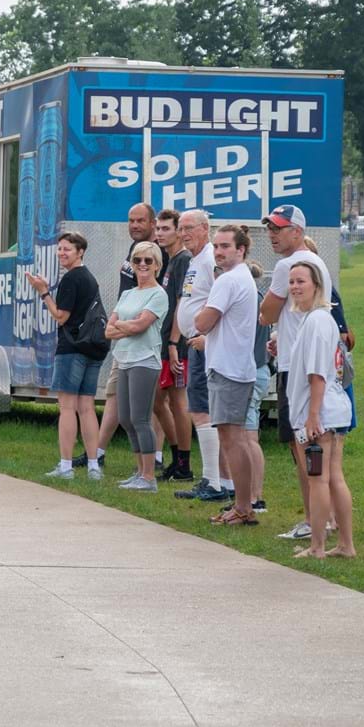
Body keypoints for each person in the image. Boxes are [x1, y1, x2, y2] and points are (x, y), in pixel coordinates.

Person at [257, 204, 332, 539]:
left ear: (297, 232)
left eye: (279, 228)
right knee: (310, 446)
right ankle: (323, 517)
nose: (272, 234)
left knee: (303, 446)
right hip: (303, 358)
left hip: (299, 368)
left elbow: (267, 312)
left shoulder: (290, 264)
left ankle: (315, 520)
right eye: (270, 228)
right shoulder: (317, 262)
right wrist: (280, 338)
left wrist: (274, 325)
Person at [282, 261, 355, 559]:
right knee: (334, 476)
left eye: (301, 281)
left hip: (321, 412)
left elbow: (317, 374)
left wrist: (313, 415)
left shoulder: (315, 321)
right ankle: (346, 545)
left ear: (317, 285)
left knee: (318, 479)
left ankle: (317, 546)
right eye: (292, 282)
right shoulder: (322, 320)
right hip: (335, 410)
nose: (295, 287)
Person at [194, 226, 262, 525]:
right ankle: (243, 504)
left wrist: (199, 313)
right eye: (216, 246)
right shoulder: (243, 276)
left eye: (225, 246)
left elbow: (203, 322)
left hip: (228, 369)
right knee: (239, 439)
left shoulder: (228, 280)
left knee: (232, 439)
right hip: (237, 366)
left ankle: (243, 506)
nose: (219, 251)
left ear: (241, 249)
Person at [27, 231, 105, 480]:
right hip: (93, 348)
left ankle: (66, 466)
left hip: (71, 348)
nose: (61, 253)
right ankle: (93, 466)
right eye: (59, 248)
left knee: (67, 408)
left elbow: (61, 316)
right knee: (87, 407)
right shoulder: (90, 278)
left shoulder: (71, 278)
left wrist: (43, 292)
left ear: (80, 251)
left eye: (67, 249)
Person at [92, 203, 155, 468]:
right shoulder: (134, 251)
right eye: (131, 220)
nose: (135, 225)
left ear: (152, 223)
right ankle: (98, 453)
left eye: (140, 220)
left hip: (144, 345)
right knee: (116, 399)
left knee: (148, 410)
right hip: (123, 342)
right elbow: (121, 307)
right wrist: (117, 327)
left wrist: (123, 327)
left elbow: (149, 310)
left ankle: (153, 464)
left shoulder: (154, 255)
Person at [173, 211, 229, 502]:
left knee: (202, 409)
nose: (184, 233)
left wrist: (206, 337)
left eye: (189, 228)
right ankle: (214, 479)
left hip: (203, 344)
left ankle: (214, 481)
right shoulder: (194, 260)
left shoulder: (208, 259)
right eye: (181, 228)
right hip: (192, 343)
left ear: (205, 229)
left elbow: (220, 301)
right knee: (198, 408)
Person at [104, 241, 169, 491]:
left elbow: (140, 326)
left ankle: (149, 477)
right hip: (123, 359)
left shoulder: (158, 294)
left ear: (157, 266)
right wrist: (127, 326)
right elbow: (108, 330)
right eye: (137, 260)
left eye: (148, 261)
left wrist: (125, 325)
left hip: (145, 360)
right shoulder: (127, 294)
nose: (142, 265)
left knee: (141, 418)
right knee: (126, 419)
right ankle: (139, 471)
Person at [152, 209, 194, 480]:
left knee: (178, 402)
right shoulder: (169, 260)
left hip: (176, 345)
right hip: (163, 340)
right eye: (157, 229)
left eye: (166, 228)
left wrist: (173, 342)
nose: (159, 233)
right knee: (158, 401)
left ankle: (184, 464)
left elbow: (182, 302)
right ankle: (177, 455)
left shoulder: (183, 260)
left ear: (179, 231)